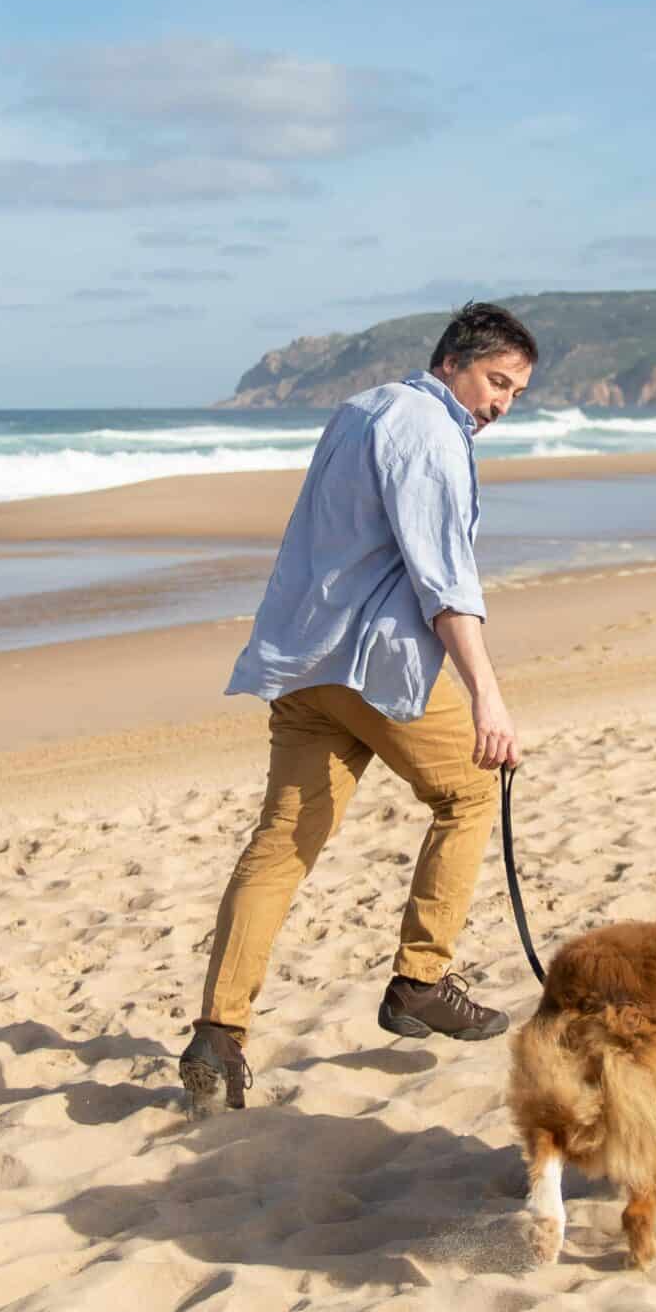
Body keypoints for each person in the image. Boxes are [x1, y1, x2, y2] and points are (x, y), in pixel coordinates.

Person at [177, 301, 540, 1115]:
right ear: (452, 361)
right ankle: (421, 976)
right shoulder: (429, 431)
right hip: (369, 667)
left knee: (281, 844)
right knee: (471, 790)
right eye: (496, 381)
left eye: (517, 391)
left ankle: (219, 1032)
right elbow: (444, 579)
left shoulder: (361, 408)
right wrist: (489, 696)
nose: (502, 404)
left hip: (302, 659)